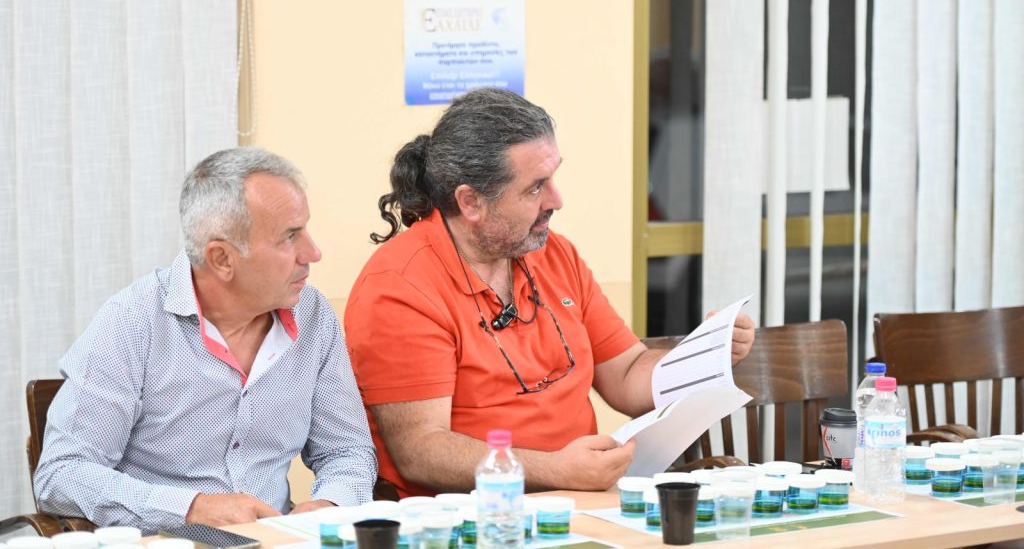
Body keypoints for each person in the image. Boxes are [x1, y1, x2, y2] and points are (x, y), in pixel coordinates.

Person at [343, 87, 755, 498]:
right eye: (535, 187)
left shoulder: (553, 253)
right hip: (476, 515)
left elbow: (628, 375)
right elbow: (421, 451)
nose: (557, 200)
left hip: (582, 501)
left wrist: (704, 353)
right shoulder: (400, 285)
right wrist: (557, 470)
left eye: (553, 178)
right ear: (470, 202)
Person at [34, 148, 377, 532]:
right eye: (289, 237)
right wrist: (191, 509)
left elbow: (347, 451)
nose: (313, 252)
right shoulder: (133, 321)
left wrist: (330, 504)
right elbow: (62, 474)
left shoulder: (313, 315)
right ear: (222, 258)